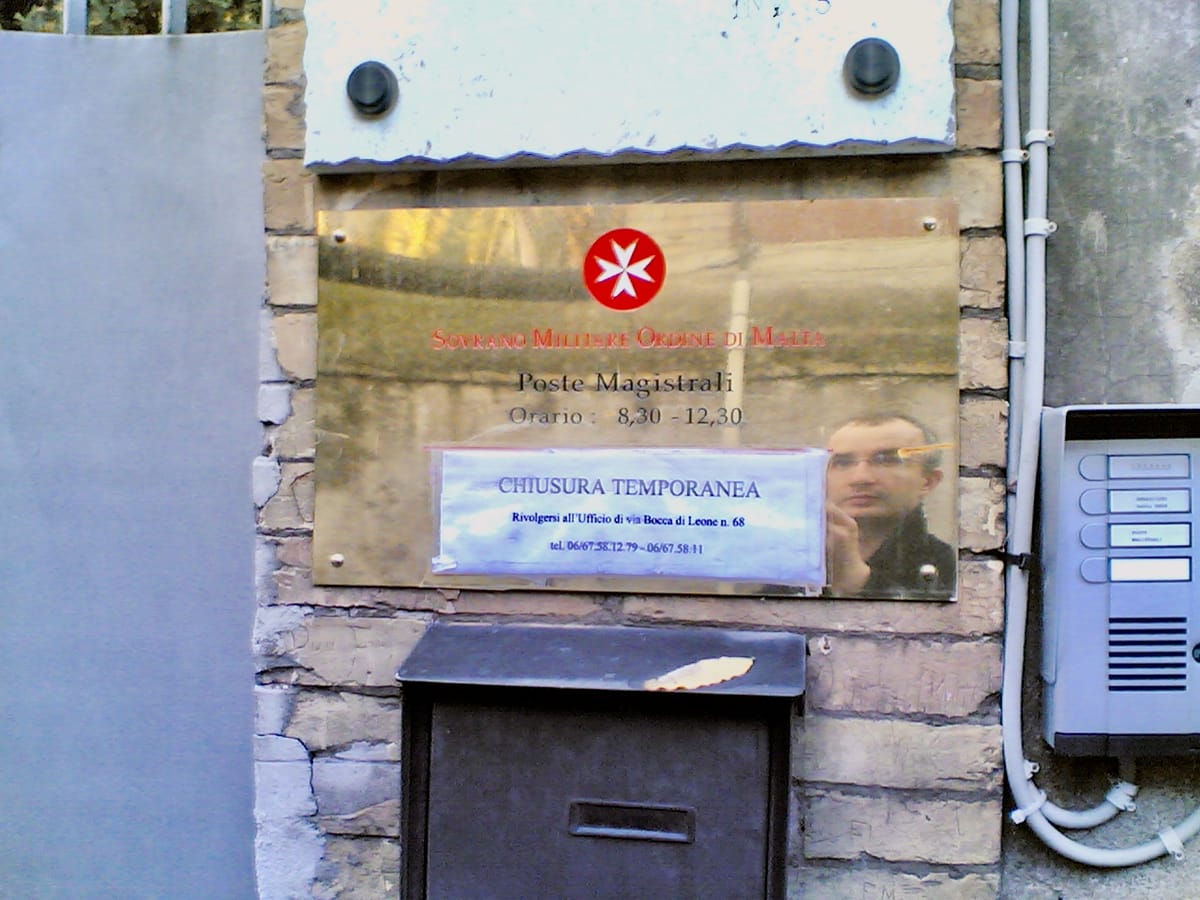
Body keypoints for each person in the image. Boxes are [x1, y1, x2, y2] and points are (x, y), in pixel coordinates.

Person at [824, 412, 956, 598]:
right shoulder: (794, 560)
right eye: (842, 463)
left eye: (886, 461)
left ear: (927, 481)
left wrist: (860, 583)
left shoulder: (954, 567)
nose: (860, 478)